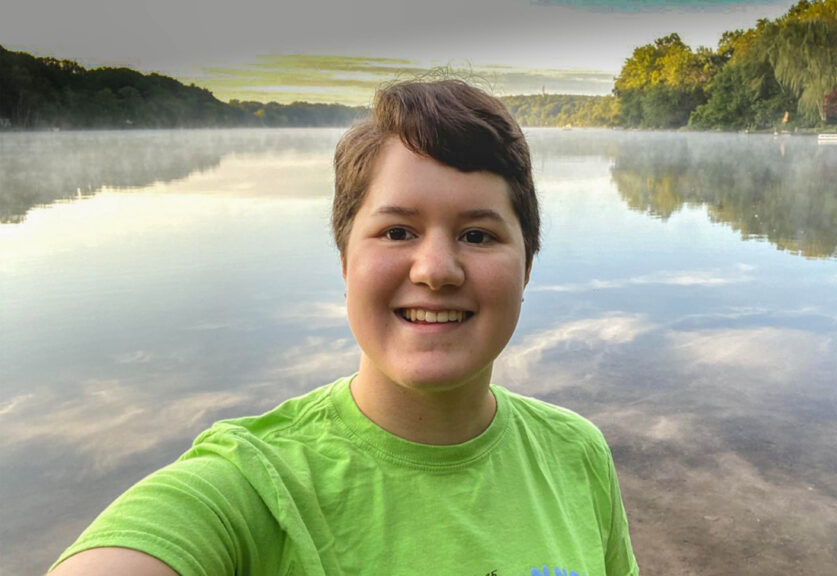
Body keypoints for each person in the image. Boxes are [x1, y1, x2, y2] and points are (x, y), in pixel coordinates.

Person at [50, 79, 639, 576]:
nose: (435, 270)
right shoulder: (255, 485)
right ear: (345, 261)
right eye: (397, 231)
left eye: (478, 235)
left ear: (527, 264)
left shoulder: (576, 454)